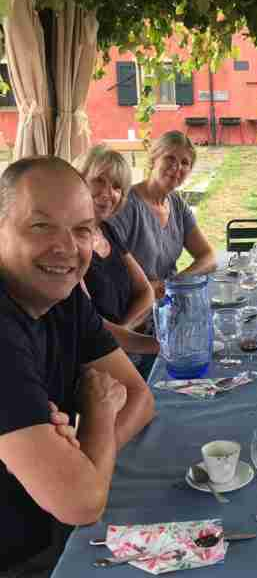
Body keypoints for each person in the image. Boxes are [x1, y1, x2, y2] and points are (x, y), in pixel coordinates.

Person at [0, 157, 155, 575]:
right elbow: (80, 503)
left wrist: (87, 460)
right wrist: (99, 416)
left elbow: (141, 397)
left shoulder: (65, 297)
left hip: (47, 533)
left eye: (82, 229)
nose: (67, 248)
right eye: (41, 225)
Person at [108, 130, 217, 300]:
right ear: (153, 159)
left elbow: (208, 257)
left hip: (168, 300)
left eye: (185, 162)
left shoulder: (176, 203)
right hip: (133, 305)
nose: (177, 167)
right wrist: (149, 290)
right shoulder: (127, 205)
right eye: (170, 158)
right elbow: (106, 271)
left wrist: (174, 283)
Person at [79, 145, 158, 355]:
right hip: (99, 360)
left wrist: (125, 330)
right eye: (99, 181)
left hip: (128, 347)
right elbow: (89, 322)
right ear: (79, 181)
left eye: (116, 186)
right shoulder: (71, 243)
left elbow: (146, 291)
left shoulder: (106, 230)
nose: (108, 193)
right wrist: (162, 347)